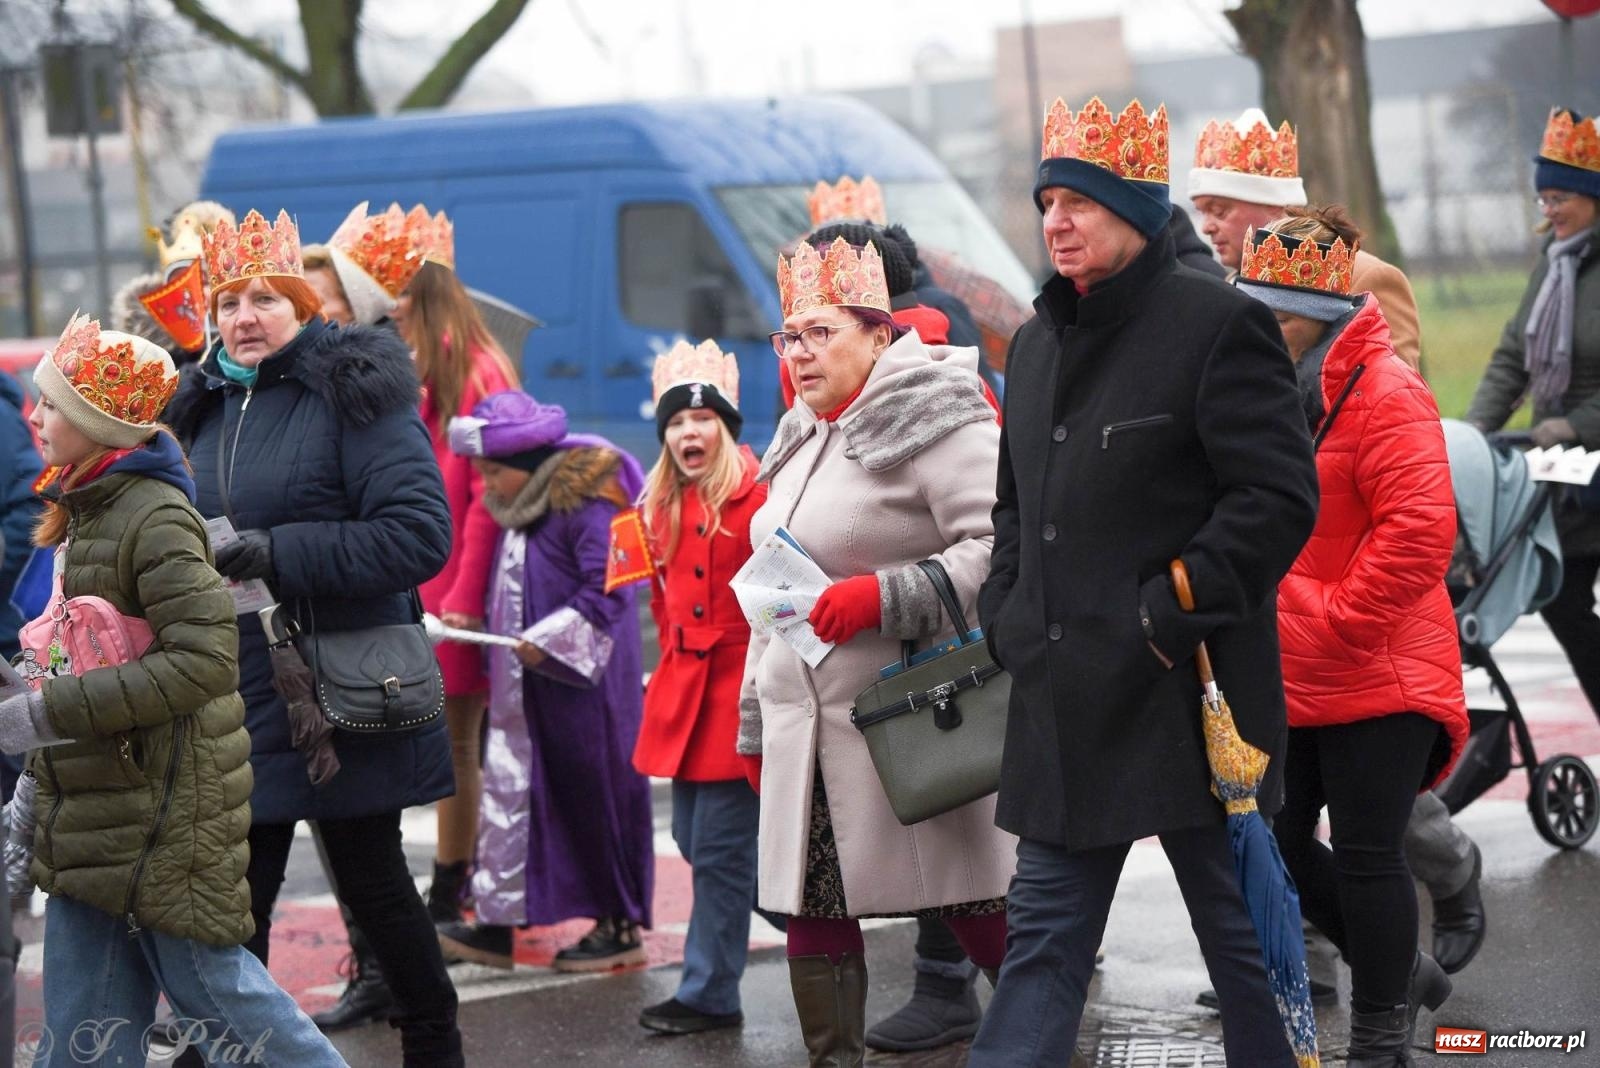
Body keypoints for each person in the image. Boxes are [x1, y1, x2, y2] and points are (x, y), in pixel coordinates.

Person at [966, 96, 1319, 1068]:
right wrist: (1007, 614)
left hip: (1188, 699)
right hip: (1062, 709)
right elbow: (1011, 510)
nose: (1056, 223)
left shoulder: (1219, 325)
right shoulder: (1033, 347)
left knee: (1246, 954)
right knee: (1039, 957)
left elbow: (1277, 497)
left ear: (1133, 206)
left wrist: (1165, 610)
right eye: (1045, 203)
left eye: (1078, 202)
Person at [163, 209, 464, 1068]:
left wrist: (279, 553)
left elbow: (418, 535)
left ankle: (435, 1048)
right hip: (236, 688)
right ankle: (226, 1054)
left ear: (304, 306)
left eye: (266, 298)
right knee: (235, 899)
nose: (244, 317)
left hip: (341, 685)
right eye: (228, 301)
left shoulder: (355, 388)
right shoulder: (202, 405)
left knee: (374, 885)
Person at [0, 315, 343, 1067]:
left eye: (53, 405)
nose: (35, 416)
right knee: (82, 1035)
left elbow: (201, 661)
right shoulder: (92, 509)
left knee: (226, 1006)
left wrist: (45, 711)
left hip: (157, 815)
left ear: (97, 423)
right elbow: (97, 652)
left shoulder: (151, 516)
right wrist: (30, 692)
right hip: (104, 811)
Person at [739, 233, 1014, 1067]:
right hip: (806, 725)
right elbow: (771, 585)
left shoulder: (937, 411)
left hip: (916, 716)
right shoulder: (798, 432)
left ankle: (1042, 1045)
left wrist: (884, 597)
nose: (800, 354)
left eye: (822, 333)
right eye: (791, 337)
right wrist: (756, 720)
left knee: (976, 906)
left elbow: (1002, 550)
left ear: (878, 332)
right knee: (813, 909)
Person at [1235, 208, 1469, 1065]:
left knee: (1370, 856)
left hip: (1381, 670)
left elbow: (1417, 532)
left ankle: (1380, 1031)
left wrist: (1330, 619)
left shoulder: (1386, 390)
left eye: (1275, 311)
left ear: (1321, 313)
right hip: (1294, 670)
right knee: (1280, 846)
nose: (1257, 325)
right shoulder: (1266, 391)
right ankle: (1398, 969)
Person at [436, 390, 655, 972]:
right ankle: (500, 917)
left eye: (493, 472)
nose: (486, 485)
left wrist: (550, 639)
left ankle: (619, 922)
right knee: (519, 800)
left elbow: (611, 592)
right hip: (527, 689)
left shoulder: (593, 502)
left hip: (587, 690)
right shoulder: (522, 505)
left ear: (528, 468)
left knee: (595, 797)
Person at [631, 340, 767, 1034]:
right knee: (693, 838)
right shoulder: (657, 505)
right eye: (678, 423)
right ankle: (804, 910)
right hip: (685, 689)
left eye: (705, 419)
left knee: (717, 849)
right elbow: (659, 601)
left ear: (727, 427)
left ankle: (710, 991)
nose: (690, 432)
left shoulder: (759, 498)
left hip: (740, 689)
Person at [392, 212, 519, 930]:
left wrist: (467, 600)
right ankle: (453, 879)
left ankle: (452, 885)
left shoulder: (472, 369)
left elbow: (482, 499)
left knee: (457, 744)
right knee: (450, 741)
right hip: (433, 581)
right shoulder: (433, 365)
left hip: (458, 586)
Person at [1466, 105, 1600, 726]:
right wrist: (1473, 432)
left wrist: (1575, 424)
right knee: (1564, 596)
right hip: (1565, 471)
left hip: (1579, 442)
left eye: (1560, 197)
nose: (1549, 210)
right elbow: (1513, 356)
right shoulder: (1553, 265)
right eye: (1543, 197)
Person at [1189, 107, 1423, 370]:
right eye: (1202, 212)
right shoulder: (1229, 284)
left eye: (1219, 210)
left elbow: (1397, 393)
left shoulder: (1367, 278)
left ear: (1275, 207)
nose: (1206, 227)